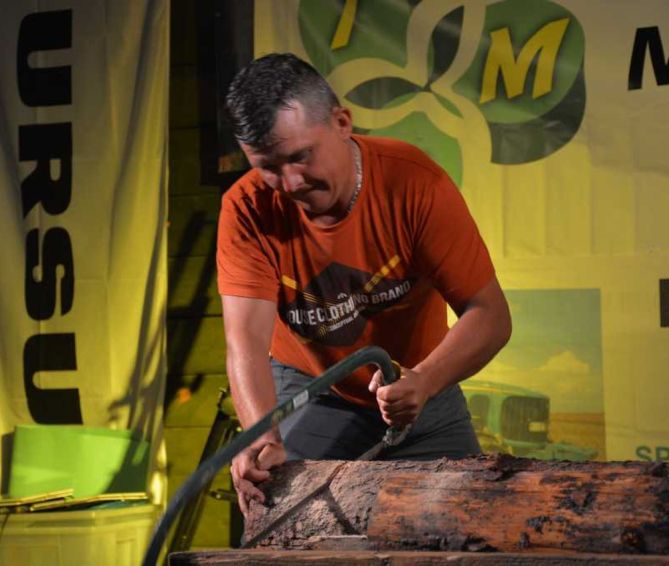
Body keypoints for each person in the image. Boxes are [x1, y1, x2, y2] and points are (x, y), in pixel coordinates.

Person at [216, 53, 511, 514]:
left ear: (342, 122)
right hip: (312, 388)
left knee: (471, 521)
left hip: (419, 384)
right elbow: (246, 344)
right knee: (280, 517)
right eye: (268, 167)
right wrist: (261, 437)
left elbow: (490, 315)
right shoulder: (246, 209)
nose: (289, 183)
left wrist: (425, 382)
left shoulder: (414, 183)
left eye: (300, 157)